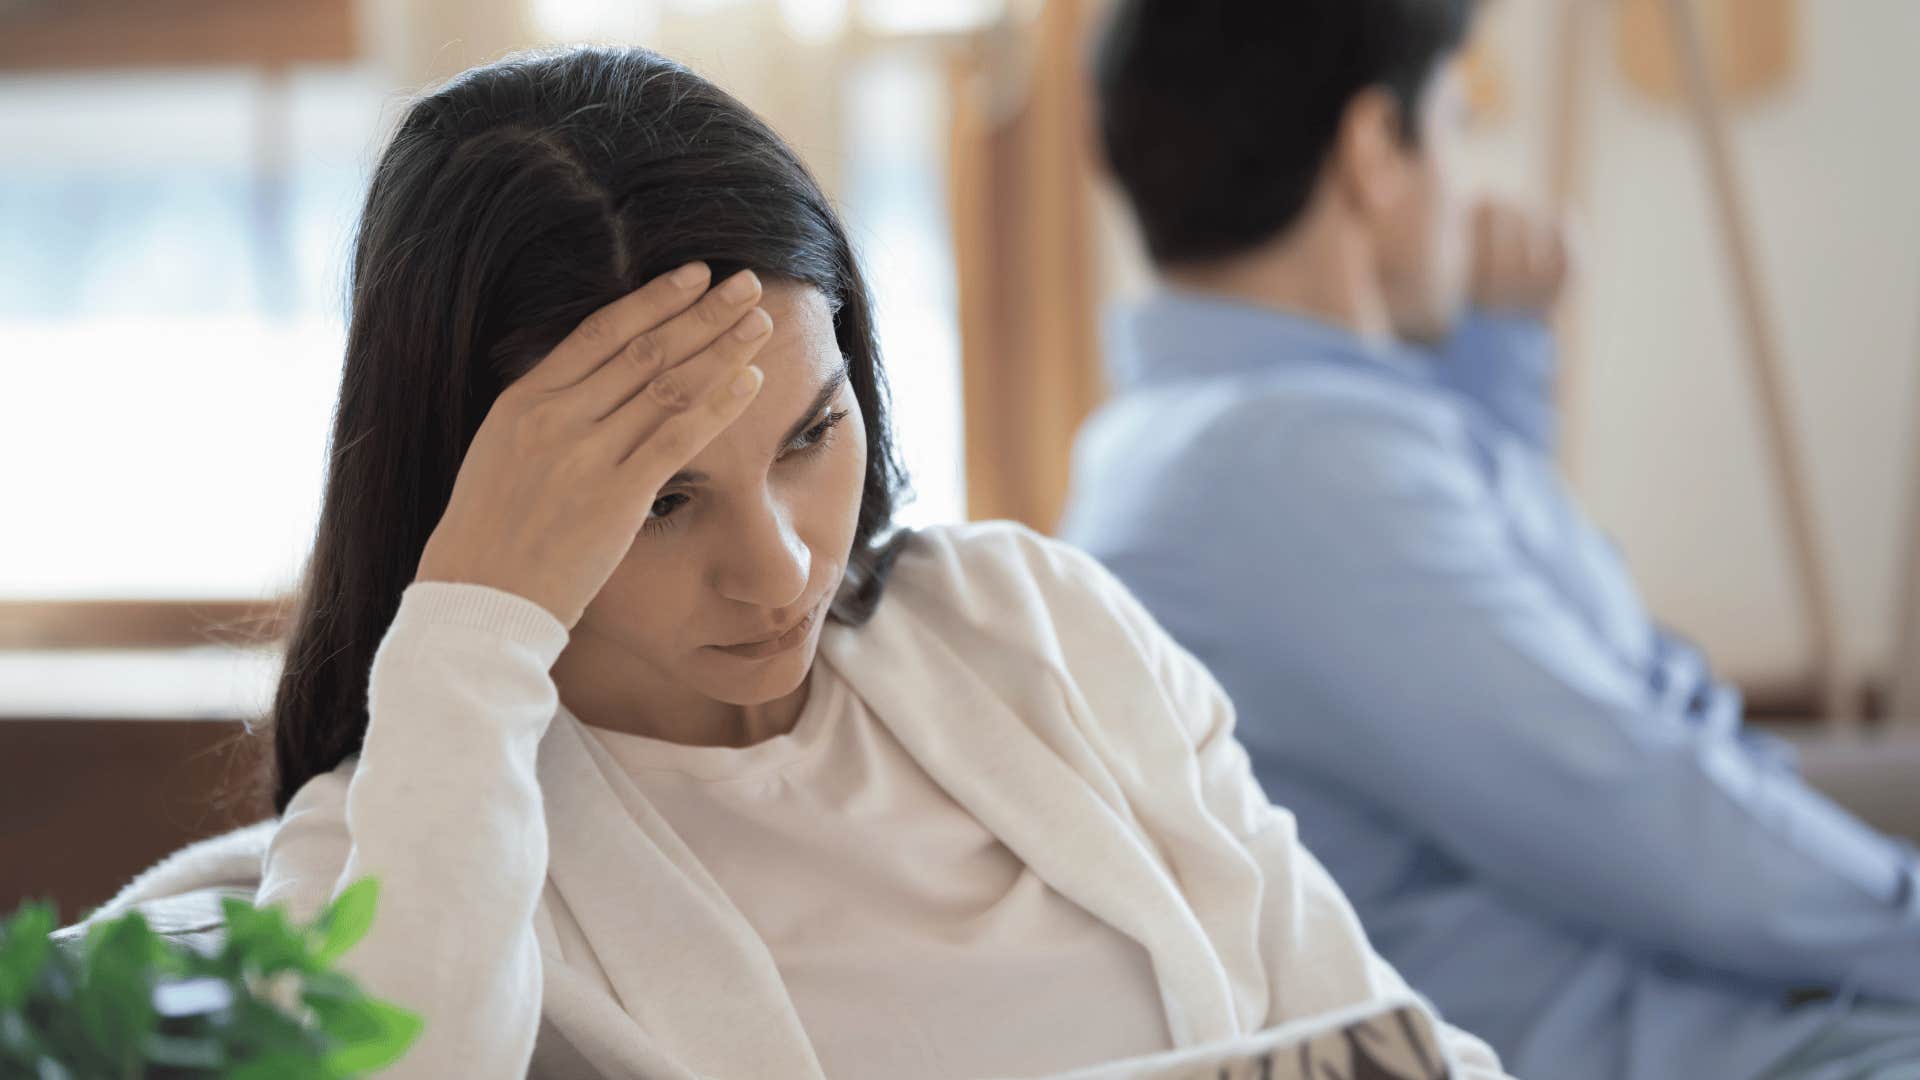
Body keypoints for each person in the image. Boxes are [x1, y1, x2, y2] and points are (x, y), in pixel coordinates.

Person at [248, 45, 1507, 1080]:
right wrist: (473, 626)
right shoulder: (391, 849)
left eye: (811, 434)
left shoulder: (1036, 624)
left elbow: (1376, 1036)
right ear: (484, 505)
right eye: (661, 500)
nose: (780, 566)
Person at [1059, 3, 1920, 1079]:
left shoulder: (1215, 433)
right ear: (1374, 152)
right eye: (1458, 123)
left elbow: (1528, 637)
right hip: (1716, 1034)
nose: (1470, 188)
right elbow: (1636, 807)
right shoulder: (1291, 471)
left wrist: (1492, 349)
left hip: (1715, 990)